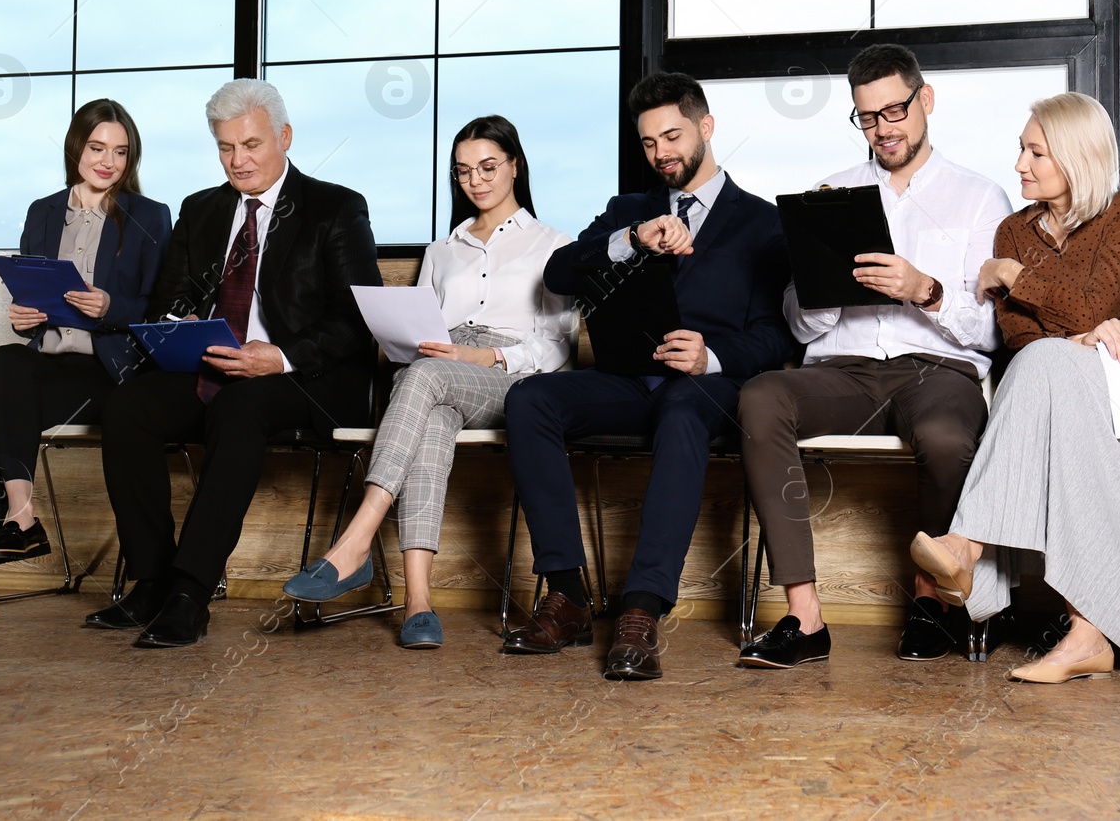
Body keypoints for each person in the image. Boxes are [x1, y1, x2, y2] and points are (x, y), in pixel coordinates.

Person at [910, 92, 1120, 683]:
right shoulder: (1013, 228)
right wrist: (1079, 335)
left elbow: (1090, 305)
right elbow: (1020, 336)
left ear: (1077, 158)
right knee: (1042, 365)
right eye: (1021, 150)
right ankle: (1084, 636)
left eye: (1035, 152)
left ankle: (967, 547)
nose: (1020, 165)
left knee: (1046, 368)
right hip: (1065, 403)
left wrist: (1012, 276)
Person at [501, 71, 792, 681]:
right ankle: (566, 593)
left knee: (684, 410)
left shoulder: (763, 223)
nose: (662, 153)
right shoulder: (626, 210)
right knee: (529, 399)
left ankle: (641, 608)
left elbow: (777, 335)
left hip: (707, 389)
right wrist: (630, 239)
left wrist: (711, 354)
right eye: (649, 142)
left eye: (673, 136)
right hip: (629, 381)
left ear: (706, 128)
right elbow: (557, 273)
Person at [737, 43, 1012, 669]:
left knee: (945, 437)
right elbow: (801, 328)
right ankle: (805, 620)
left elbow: (993, 335)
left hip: (936, 371)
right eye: (868, 117)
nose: (883, 129)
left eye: (895, 111)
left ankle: (931, 604)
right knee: (759, 397)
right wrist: (823, 282)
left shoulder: (980, 198)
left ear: (926, 102)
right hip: (845, 373)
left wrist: (926, 291)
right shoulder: (831, 194)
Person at [86, 78, 382, 648]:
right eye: (225, 147)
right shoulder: (201, 210)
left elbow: (356, 319)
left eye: (250, 145)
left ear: (285, 137)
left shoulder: (335, 207)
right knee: (126, 408)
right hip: (211, 366)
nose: (237, 160)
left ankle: (189, 592)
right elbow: (167, 301)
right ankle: (149, 580)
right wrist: (178, 333)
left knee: (241, 407)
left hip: (304, 378)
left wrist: (281, 356)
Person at [281, 116, 576, 648]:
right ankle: (419, 603)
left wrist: (482, 354)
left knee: (427, 378)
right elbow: (421, 328)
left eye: (488, 167)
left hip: (508, 378)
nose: (476, 181)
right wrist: (413, 342)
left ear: (516, 165)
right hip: (436, 370)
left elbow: (557, 346)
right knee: (432, 417)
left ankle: (355, 541)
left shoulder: (554, 244)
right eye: (463, 172)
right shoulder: (443, 250)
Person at [0, 100, 171, 625]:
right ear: (76, 147)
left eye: (121, 152)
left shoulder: (150, 216)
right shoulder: (43, 211)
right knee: (8, 356)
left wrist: (110, 308)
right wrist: (22, 315)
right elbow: (28, 301)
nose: (108, 162)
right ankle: (20, 518)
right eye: (97, 148)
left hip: (109, 372)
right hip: (49, 365)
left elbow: (164, 310)